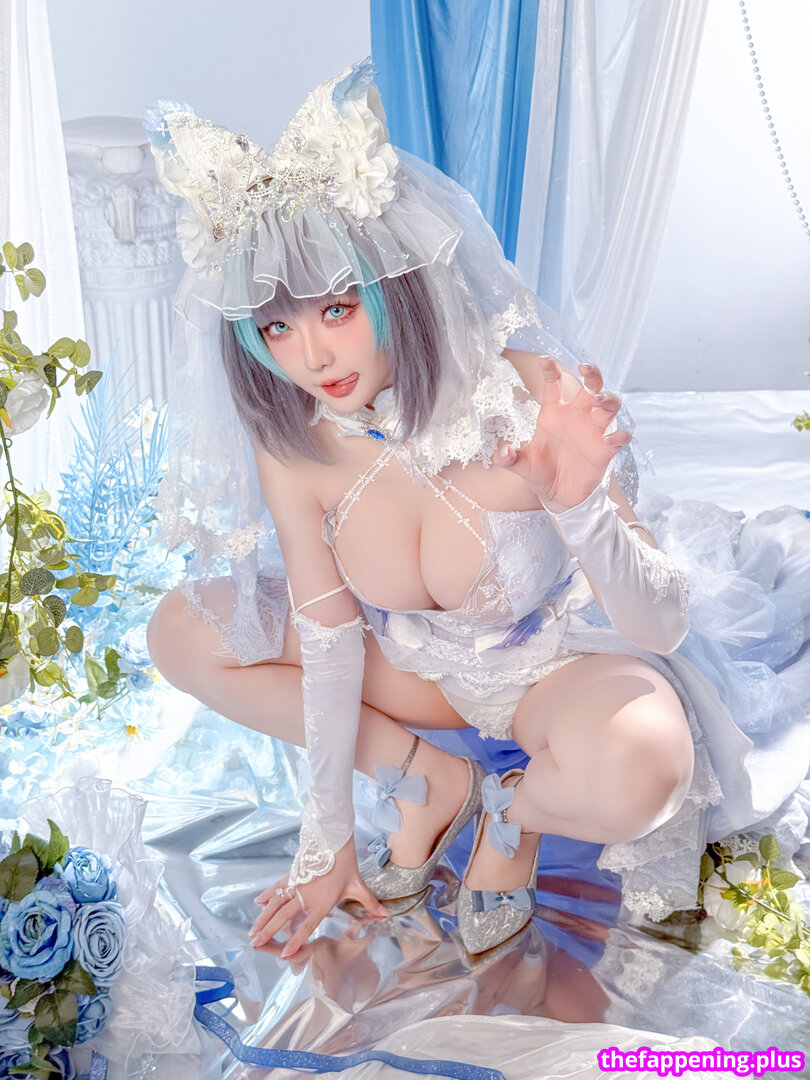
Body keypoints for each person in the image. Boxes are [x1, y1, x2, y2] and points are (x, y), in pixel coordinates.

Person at [144, 61, 810, 959]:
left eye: (337, 309)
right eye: (276, 328)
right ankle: (430, 784)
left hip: (555, 668)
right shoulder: (297, 440)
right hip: (420, 670)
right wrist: (327, 842)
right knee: (182, 632)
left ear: (391, 282)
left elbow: (659, 626)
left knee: (644, 766)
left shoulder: (522, 390)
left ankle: (512, 811)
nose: (312, 357)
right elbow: (331, 643)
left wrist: (582, 507)